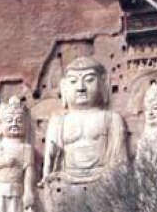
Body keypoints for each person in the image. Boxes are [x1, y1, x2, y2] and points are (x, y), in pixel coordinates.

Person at [42, 57, 127, 186]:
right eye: (73, 81)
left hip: (104, 183)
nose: (80, 87)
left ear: (102, 83)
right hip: (66, 183)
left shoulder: (111, 119)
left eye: (89, 80)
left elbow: (120, 161)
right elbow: (48, 163)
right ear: (64, 86)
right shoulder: (58, 122)